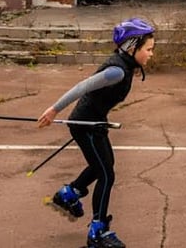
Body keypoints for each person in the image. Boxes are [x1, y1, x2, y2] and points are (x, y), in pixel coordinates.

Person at [37, 17, 156, 248]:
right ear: (132, 48)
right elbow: (82, 87)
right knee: (106, 174)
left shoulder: (127, 66)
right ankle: (97, 232)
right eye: (148, 49)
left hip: (95, 122)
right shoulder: (117, 72)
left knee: (103, 164)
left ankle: (69, 194)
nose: (151, 54)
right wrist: (53, 110)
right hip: (85, 125)